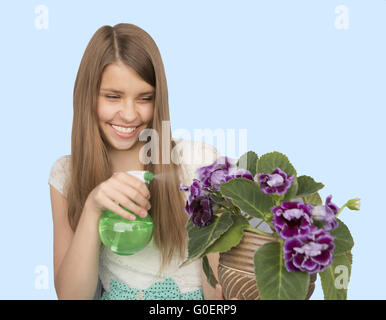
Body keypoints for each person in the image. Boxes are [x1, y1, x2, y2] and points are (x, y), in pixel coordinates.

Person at [48, 23, 237, 300]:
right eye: (113, 96)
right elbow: (71, 297)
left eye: (144, 98)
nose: (128, 114)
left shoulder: (196, 163)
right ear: (88, 95)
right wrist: (92, 208)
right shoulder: (66, 175)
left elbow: (217, 292)